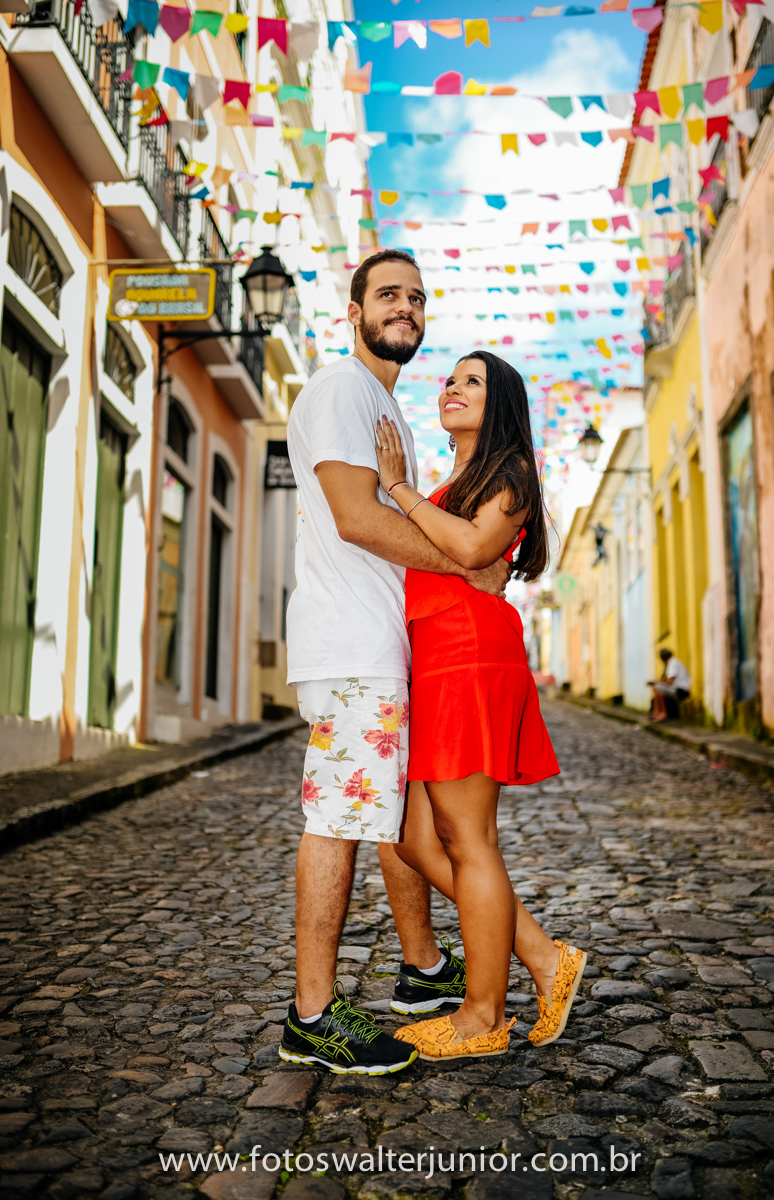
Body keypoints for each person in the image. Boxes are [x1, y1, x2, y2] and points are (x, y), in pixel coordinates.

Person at [279, 249, 511, 1075]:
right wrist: (469, 564)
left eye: (415, 296)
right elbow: (354, 517)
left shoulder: (383, 408)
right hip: (349, 644)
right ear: (353, 311)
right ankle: (311, 1013)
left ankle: (419, 973)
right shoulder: (343, 388)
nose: (404, 306)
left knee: (374, 817)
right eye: (387, 294)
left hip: (378, 645)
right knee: (336, 821)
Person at [374, 352, 586, 1061]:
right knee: (413, 839)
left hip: (469, 656)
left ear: (499, 404)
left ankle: (482, 1016)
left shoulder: (510, 474)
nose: (451, 388)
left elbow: (469, 548)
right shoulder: (454, 483)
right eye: (450, 378)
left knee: (468, 841)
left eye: (472, 381)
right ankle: (543, 957)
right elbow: (454, 557)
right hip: (433, 661)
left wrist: (397, 488)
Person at [648, 648, 691, 722]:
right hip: (677, 689)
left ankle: (663, 714)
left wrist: (656, 682)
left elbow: (669, 681)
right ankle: (656, 712)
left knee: (657, 687)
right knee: (657, 686)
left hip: (681, 690)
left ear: (662, 657)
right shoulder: (672, 662)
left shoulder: (672, 663)